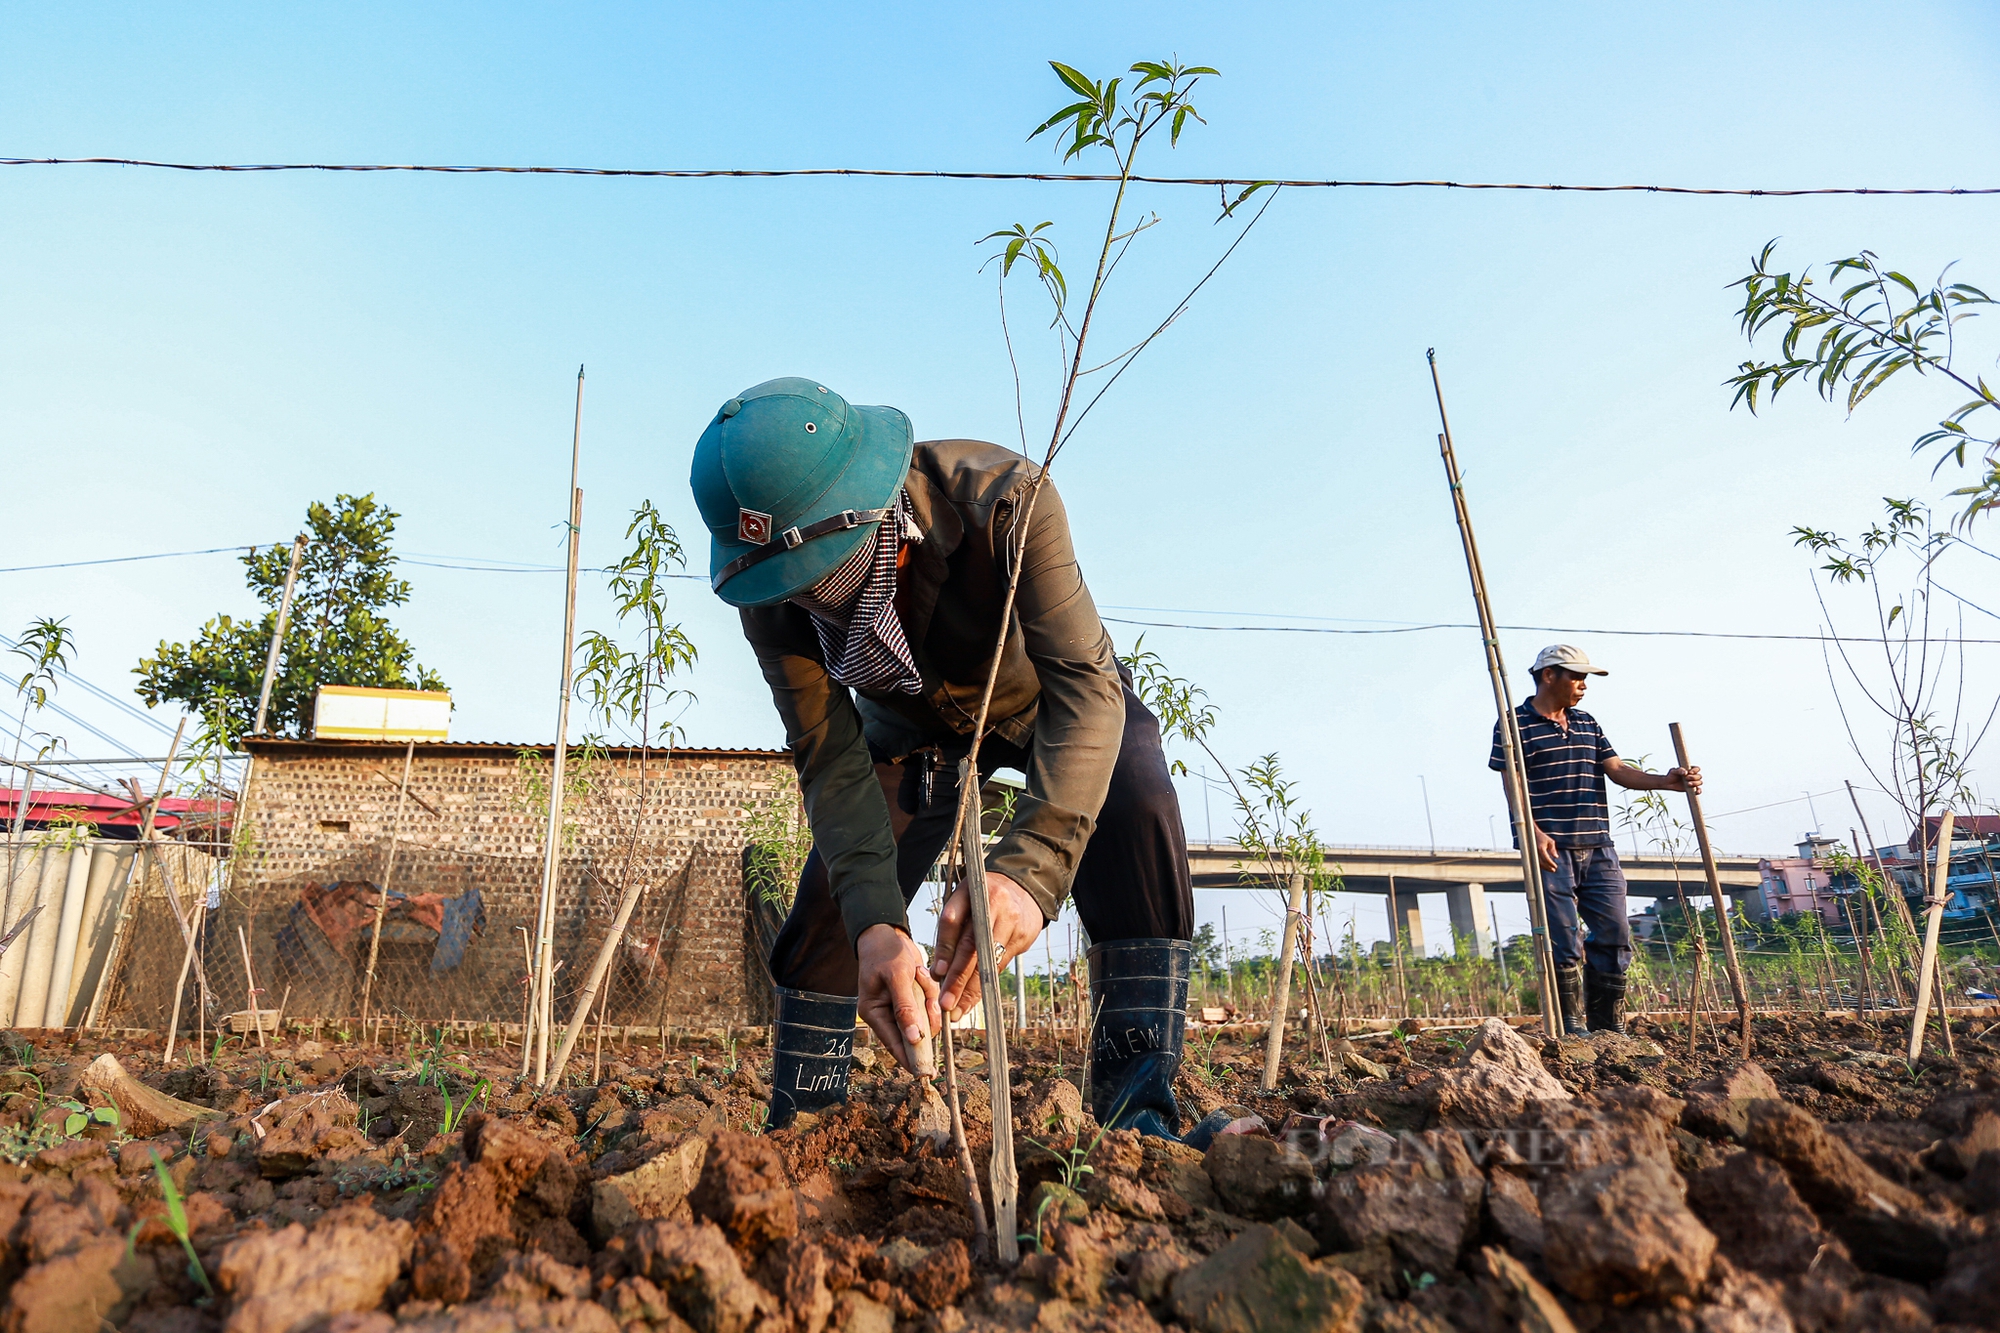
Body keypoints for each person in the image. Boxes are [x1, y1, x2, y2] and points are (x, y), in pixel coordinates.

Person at [689, 377, 1208, 1138]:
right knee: (838, 895)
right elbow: (830, 759)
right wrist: (877, 926)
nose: (804, 600)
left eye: (818, 577)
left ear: (867, 507)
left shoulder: (1003, 501)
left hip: (1041, 699)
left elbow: (1087, 686)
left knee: (1131, 782)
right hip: (910, 729)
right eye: (786, 587)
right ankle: (803, 1131)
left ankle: (1140, 1116)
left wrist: (1029, 871)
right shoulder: (771, 592)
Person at [1488, 644, 1700, 1035]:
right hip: (1550, 849)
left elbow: (1617, 770)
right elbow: (1512, 783)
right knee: (1564, 938)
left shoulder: (1587, 722)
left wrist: (1666, 783)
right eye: (1576, 676)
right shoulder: (1512, 724)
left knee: (1616, 934)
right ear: (1549, 675)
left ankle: (1608, 1028)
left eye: (1585, 678)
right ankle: (1570, 1026)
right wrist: (1531, 831)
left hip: (1599, 847)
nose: (1583, 685)